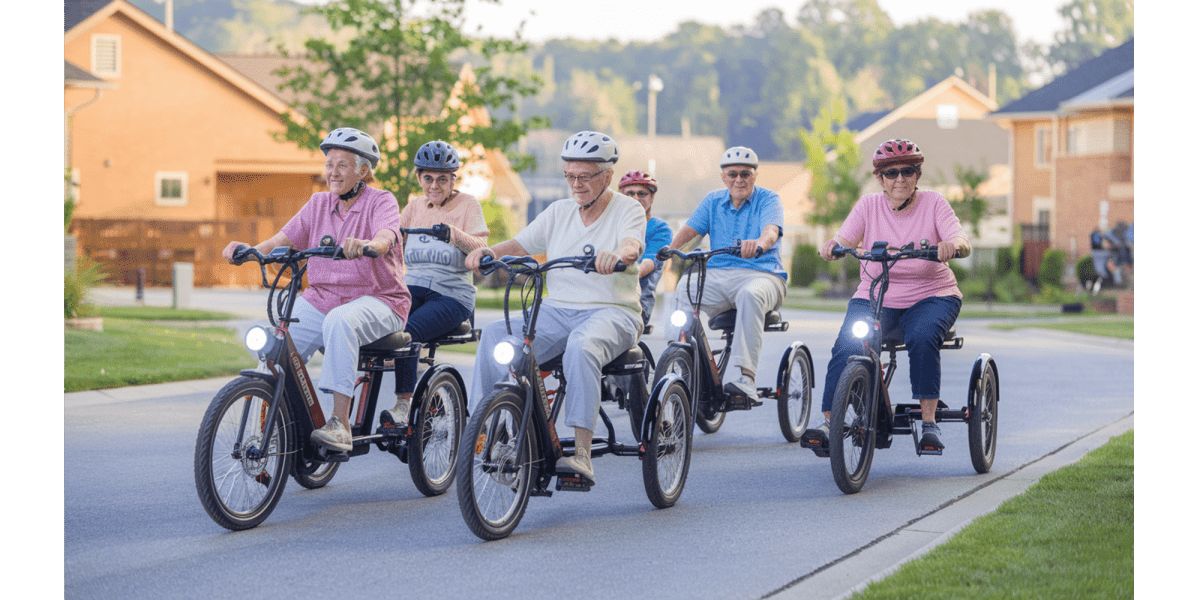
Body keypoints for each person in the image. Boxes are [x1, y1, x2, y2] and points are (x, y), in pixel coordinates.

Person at [466, 131, 646, 485]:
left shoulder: (629, 208)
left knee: (581, 346)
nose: (575, 184)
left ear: (607, 175)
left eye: (584, 176)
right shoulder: (559, 211)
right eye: (569, 175)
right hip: (557, 309)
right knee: (494, 335)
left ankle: (581, 453)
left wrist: (618, 256)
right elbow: (521, 243)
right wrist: (490, 252)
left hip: (613, 311)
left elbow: (632, 244)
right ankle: (485, 431)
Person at [221, 127, 410, 452]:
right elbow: (281, 239)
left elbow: (386, 234)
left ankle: (341, 425)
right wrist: (249, 251)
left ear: (363, 170)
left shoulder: (382, 200)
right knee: (277, 342)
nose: (333, 172)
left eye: (342, 165)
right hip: (323, 298)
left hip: (380, 300)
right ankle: (276, 426)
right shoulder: (318, 203)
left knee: (340, 321)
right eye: (329, 164)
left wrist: (369, 244)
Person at [815, 138, 970, 451]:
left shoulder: (935, 203)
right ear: (879, 178)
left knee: (923, 337)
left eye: (908, 171)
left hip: (932, 295)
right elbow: (842, 238)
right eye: (891, 173)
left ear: (917, 175)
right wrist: (832, 246)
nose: (900, 178)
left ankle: (928, 423)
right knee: (847, 342)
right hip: (875, 294)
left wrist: (952, 246)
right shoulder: (868, 206)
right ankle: (830, 421)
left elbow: (961, 239)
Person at [660, 146, 788, 405]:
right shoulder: (712, 201)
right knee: (685, 287)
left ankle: (746, 379)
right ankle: (681, 359)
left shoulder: (769, 199)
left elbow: (771, 231)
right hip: (718, 274)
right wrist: (670, 250)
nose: (738, 180)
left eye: (745, 174)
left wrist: (759, 243)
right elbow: (689, 230)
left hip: (763, 274)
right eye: (732, 174)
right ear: (723, 177)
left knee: (750, 295)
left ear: (754, 176)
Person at [381, 141, 490, 428]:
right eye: (428, 178)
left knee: (408, 332)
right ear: (419, 178)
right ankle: (433, 403)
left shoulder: (468, 205)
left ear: (454, 179)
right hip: (413, 287)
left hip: (452, 295)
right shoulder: (415, 207)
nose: (434, 185)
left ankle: (404, 405)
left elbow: (482, 246)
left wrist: (454, 234)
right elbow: (389, 237)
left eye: (443, 179)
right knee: (380, 321)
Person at [617, 170, 673, 326]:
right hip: (606, 296)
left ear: (652, 197)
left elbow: (647, 265)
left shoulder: (659, 229)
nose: (635, 198)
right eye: (629, 194)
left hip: (637, 301)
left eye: (642, 194)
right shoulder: (612, 225)